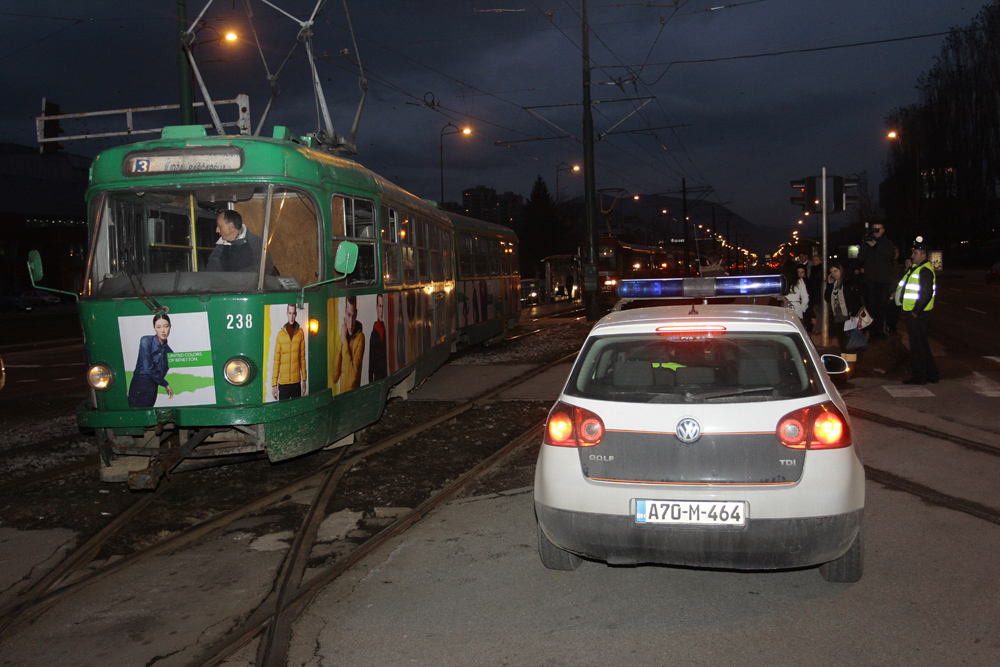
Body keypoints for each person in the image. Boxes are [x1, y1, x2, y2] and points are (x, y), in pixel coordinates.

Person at [896, 239, 939, 385]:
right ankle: (932, 374)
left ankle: (919, 376)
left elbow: (926, 293)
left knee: (917, 346)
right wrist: (908, 269)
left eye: (915, 253)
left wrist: (916, 310)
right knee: (922, 344)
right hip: (916, 312)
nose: (912, 255)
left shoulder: (924, 270)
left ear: (923, 254)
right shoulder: (917, 268)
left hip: (918, 313)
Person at [857, 222, 897, 339]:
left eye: (878, 229)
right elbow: (860, 258)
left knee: (881, 306)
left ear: (883, 230)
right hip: (871, 280)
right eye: (874, 229)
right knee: (871, 306)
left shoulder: (887, 243)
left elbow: (890, 255)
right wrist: (866, 244)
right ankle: (873, 331)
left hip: (884, 280)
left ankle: (880, 330)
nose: (876, 232)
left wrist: (876, 246)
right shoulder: (867, 243)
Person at [205, 210, 273, 274]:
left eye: (219, 226)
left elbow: (264, 268)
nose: (217, 230)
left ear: (231, 226)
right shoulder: (220, 247)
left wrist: (236, 279)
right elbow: (211, 272)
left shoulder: (256, 243)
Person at [128, 313, 174, 408]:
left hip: (152, 388)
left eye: (166, 326)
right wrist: (165, 384)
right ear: (154, 328)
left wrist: (160, 382)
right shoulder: (146, 341)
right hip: (138, 384)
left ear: (170, 327)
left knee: (147, 415)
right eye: (158, 327)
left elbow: (161, 373)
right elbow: (147, 368)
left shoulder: (169, 352)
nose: (163, 331)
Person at [271, 304, 307, 400]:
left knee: (297, 410)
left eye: (294, 313)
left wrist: (304, 380)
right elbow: (276, 361)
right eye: (290, 313)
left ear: (296, 314)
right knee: (283, 411)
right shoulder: (280, 335)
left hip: (296, 382)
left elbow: (302, 358)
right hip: (283, 384)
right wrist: (274, 385)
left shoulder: (300, 333)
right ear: (287, 313)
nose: (292, 316)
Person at [824, 261, 862, 351]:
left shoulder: (848, 282)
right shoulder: (833, 284)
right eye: (832, 272)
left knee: (849, 340)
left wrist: (853, 313)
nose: (834, 274)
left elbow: (855, 299)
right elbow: (827, 297)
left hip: (847, 314)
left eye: (835, 271)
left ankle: (850, 360)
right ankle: (845, 359)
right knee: (841, 340)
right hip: (837, 315)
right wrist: (829, 285)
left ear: (840, 270)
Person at [331, 296, 365, 393]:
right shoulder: (343, 335)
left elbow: (352, 380)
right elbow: (334, 377)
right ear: (345, 312)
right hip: (341, 396)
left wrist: (344, 341)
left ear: (357, 314)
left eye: (353, 317)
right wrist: (342, 341)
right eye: (348, 315)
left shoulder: (360, 338)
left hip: (353, 396)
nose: (350, 324)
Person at [782, 260, 809, 324]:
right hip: (796, 308)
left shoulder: (781, 280)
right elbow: (805, 297)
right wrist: (802, 309)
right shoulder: (799, 281)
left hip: (783, 308)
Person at [369, 293, 388, 383]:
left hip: (386, 374)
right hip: (378, 376)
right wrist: (370, 382)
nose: (381, 311)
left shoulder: (386, 329)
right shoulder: (374, 333)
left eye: (383, 307)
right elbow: (371, 361)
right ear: (377, 308)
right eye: (380, 306)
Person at [803, 255, 824, 333]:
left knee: (819, 311)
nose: (815, 261)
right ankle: (817, 327)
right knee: (815, 311)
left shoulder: (819, 269)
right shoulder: (812, 269)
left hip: (817, 293)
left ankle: (819, 328)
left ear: (820, 261)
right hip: (813, 293)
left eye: (816, 260)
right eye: (813, 260)